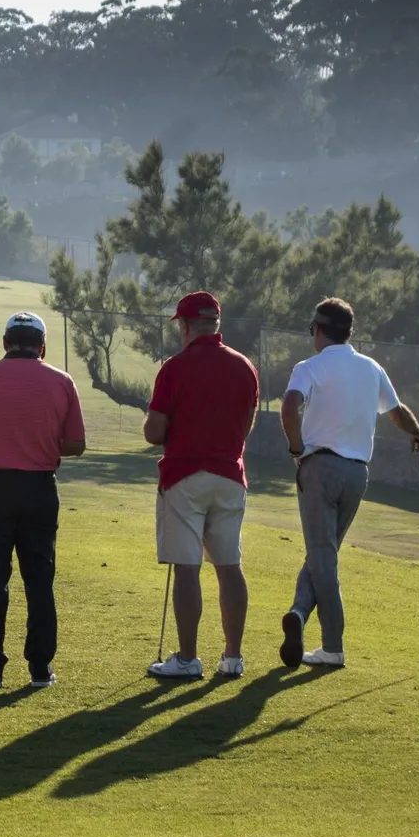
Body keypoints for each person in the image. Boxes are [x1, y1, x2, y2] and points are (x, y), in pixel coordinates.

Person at [278, 297, 419, 668]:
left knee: (323, 556)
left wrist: (296, 450)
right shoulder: (371, 367)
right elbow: (396, 412)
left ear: (319, 329)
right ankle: (298, 613)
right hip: (357, 474)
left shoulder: (308, 366)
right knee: (324, 553)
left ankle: (332, 647)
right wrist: (418, 433)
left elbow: (288, 405)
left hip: (319, 468)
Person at [0, 311, 85, 690]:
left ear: (6, 343)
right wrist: (41, 439)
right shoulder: (62, 381)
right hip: (40, 489)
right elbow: (76, 445)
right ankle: (40, 669)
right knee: (40, 579)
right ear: (42, 346)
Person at [144, 291, 260, 680]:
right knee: (229, 566)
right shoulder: (245, 367)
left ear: (186, 325)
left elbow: (154, 431)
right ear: (217, 323)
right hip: (230, 475)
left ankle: (189, 658)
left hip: (184, 475)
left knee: (187, 568)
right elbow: (246, 426)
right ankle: (232, 657)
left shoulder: (174, 368)